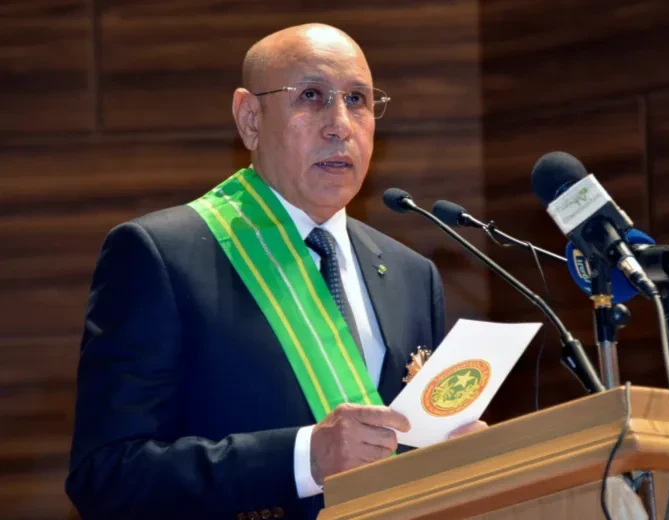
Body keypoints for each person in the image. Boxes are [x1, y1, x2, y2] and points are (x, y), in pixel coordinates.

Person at [65, 24, 486, 520]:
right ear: (250, 118)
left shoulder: (412, 274)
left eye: (357, 99)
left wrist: (456, 455)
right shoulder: (162, 256)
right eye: (311, 96)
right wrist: (306, 458)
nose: (340, 124)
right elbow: (106, 474)